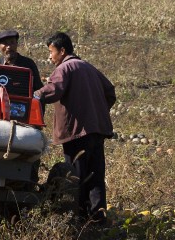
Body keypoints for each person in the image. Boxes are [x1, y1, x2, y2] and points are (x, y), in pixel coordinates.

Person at [34, 32, 116, 222]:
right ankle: (98, 219)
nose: (49, 57)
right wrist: (96, 112)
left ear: (62, 51)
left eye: (51, 52)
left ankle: (76, 218)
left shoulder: (65, 68)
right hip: (97, 131)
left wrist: (35, 95)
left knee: (75, 176)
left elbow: (54, 90)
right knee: (95, 176)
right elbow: (110, 92)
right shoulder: (88, 67)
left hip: (77, 133)